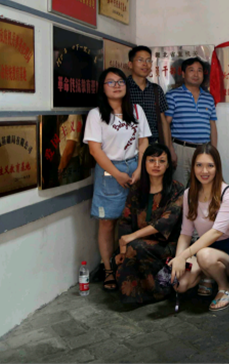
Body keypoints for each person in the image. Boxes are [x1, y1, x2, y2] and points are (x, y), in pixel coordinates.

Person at [84, 67, 151, 292]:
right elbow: (95, 150)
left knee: (136, 220)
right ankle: (108, 270)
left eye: (120, 81)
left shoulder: (136, 110)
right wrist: (117, 173)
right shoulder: (96, 115)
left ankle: (131, 268)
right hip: (109, 171)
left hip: (135, 168)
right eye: (110, 82)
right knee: (107, 222)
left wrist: (140, 169)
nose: (116, 86)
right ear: (102, 88)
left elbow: (143, 141)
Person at [169, 144, 229, 311]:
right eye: (199, 165)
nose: (204, 171)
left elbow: (216, 232)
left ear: (217, 168)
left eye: (210, 165)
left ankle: (225, 287)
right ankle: (207, 274)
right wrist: (179, 259)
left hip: (228, 250)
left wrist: (185, 255)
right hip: (202, 248)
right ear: (193, 167)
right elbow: (186, 233)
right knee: (180, 284)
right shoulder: (189, 194)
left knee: (204, 255)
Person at [113, 144, 184, 304]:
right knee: (123, 255)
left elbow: (166, 222)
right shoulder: (137, 189)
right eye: (151, 160)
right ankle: (134, 294)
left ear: (168, 165)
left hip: (166, 245)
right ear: (144, 163)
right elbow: (126, 220)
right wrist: (122, 249)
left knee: (136, 247)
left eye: (161, 161)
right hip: (137, 242)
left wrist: (131, 238)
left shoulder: (176, 189)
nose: (156, 165)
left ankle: (157, 292)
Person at [166, 57, 218, 187]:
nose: (196, 74)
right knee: (179, 189)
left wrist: (213, 151)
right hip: (181, 149)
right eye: (191, 70)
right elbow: (165, 124)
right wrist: (170, 149)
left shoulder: (208, 98)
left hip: (203, 150)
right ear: (183, 74)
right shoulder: (173, 95)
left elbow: (212, 125)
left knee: (202, 188)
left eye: (199, 70)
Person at [126, 46, 175, 154]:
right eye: (140, 60)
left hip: (154, 147)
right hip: (129, 147)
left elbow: (163, 122)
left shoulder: (156, 90)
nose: (145, 64)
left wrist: (167, 149)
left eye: (148, 60)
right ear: (130, 64)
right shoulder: (123, 88)